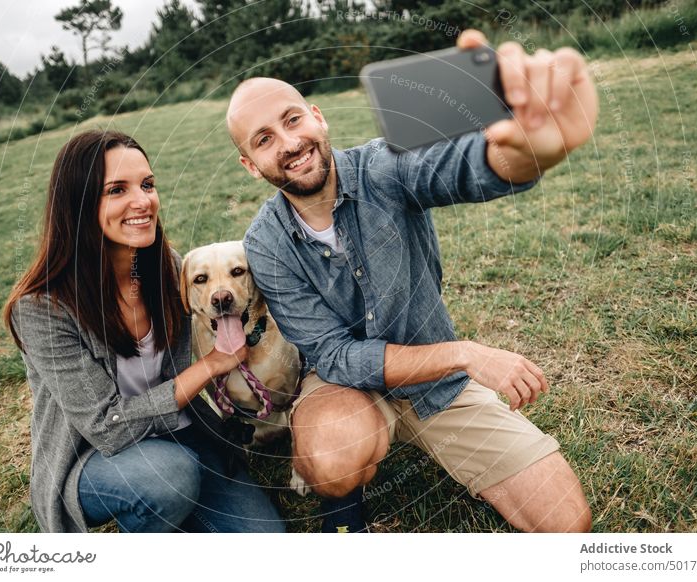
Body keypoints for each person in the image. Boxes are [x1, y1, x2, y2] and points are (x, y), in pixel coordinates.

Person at [225, 29, 598, 532]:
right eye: (264, 140)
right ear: (251, 165)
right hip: (341, 388)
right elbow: (335, 357)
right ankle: (345, 511)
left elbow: (467, 166)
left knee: (565, 523)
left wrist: (533, 150)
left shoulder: (383, 168)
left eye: (292, 120)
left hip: (437, 386)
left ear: (317, 116)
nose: (290, 144)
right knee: (335, 456)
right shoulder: (266, 243)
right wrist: (465, 353)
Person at [3, 130, 284, 533]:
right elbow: (105, 427)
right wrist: (209, 367)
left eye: (147, 185)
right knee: (169, 477)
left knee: (267, 542)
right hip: (94, 459)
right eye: (117, 189)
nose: (143, 201)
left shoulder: (167, 267)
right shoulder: (42, 310)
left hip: (179, 434)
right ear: (77, 203)